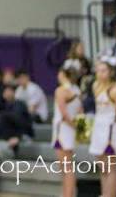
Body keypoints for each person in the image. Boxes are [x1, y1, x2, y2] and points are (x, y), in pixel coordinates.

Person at [89, 58, 116, 197]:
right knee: (102, 166)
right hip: (99, 126)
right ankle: (104, 193)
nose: (100, 73)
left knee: (111, 166)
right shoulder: (95, 85)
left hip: (111, 127)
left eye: (103, 70)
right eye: (98, 70)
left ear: (111, 72)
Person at [51, 66, 81, 197]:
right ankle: (69, 193)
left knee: (66, 167)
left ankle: (68, 194)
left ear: (63, 75)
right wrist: (77, 127)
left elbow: (64, 113)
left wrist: (72, 125)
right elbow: (81, 112)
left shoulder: (61, 90)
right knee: (67, 166)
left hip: (62, 129)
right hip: (70, 129)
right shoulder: (77, 90)